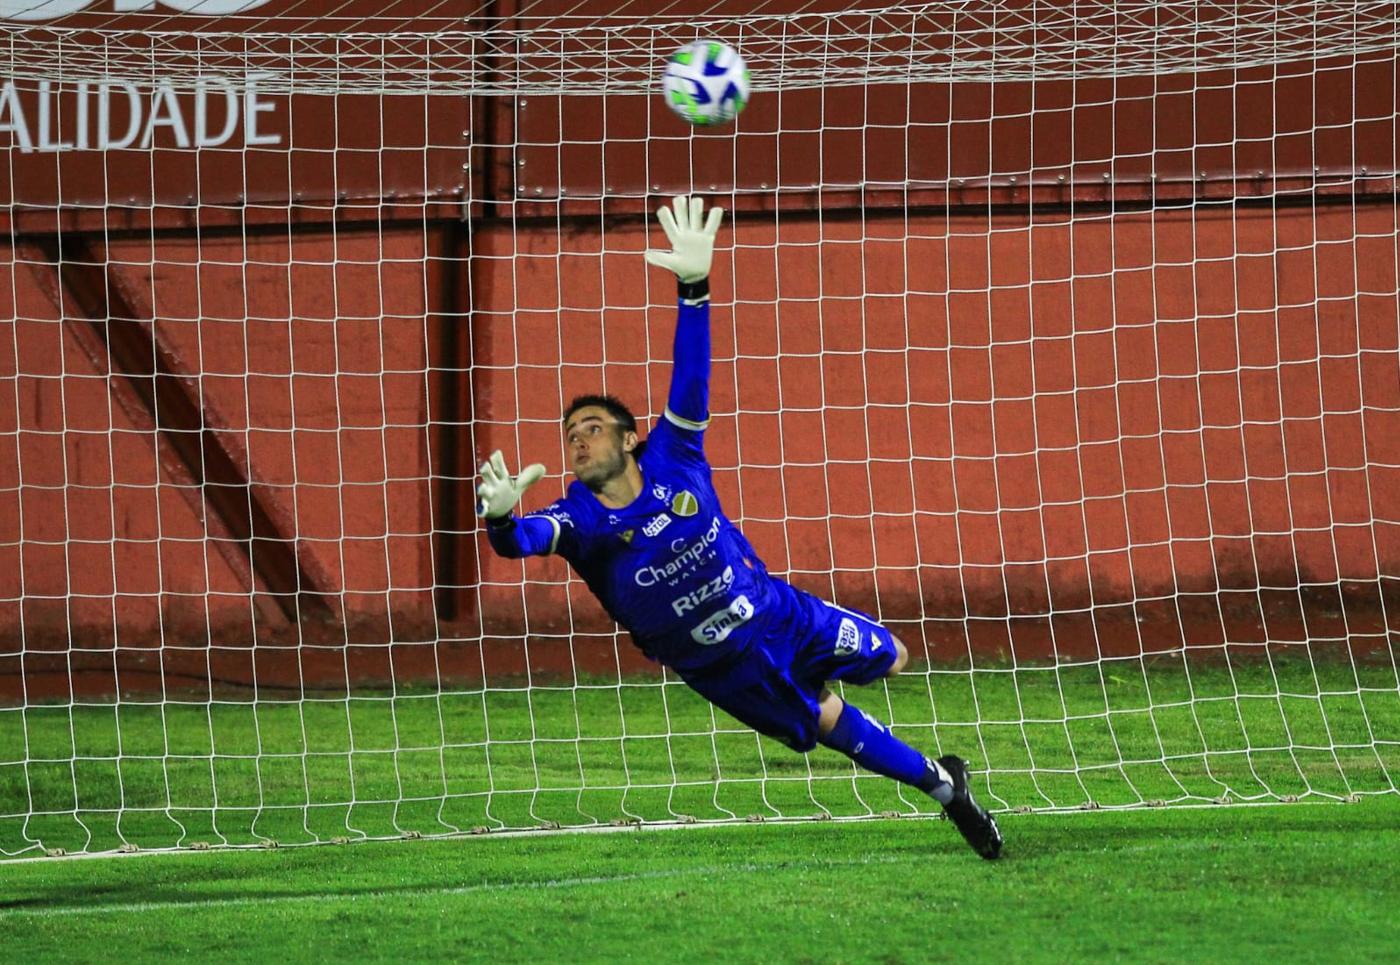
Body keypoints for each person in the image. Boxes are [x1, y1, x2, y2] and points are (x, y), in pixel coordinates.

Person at [476, 195, 1002, 859]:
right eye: (570, 434)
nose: (579, 441)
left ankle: (941, 777)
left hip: (780, 612)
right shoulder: (578, 519)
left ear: (631, 438)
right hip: (723, 667)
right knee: (826, 722)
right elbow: (520, 541)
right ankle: (946, 789)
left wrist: (694, 286)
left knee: (894, 656)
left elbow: (691, 377)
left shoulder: (674, 455)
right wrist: (499, 518)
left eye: (593, 427)